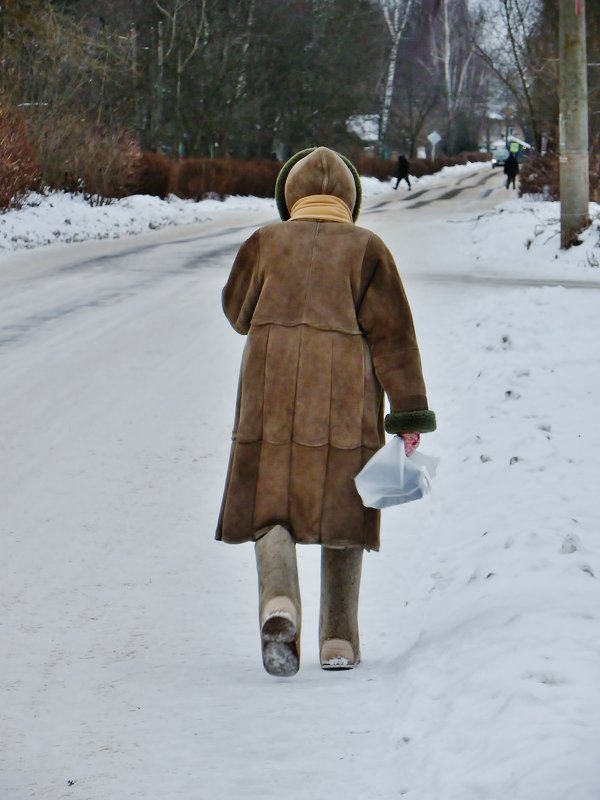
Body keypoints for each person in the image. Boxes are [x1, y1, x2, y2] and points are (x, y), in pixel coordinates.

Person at [216, 146, 436, 677]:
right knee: (345, 516)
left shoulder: (266, 242)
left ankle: (278, 603)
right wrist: (408, 415)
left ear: (289, 196)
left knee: (271, 510)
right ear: (350, 198)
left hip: (269, 399)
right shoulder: (368, 249)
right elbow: (395, 339)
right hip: (344, 402)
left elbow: (236, 314)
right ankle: (338, 639)